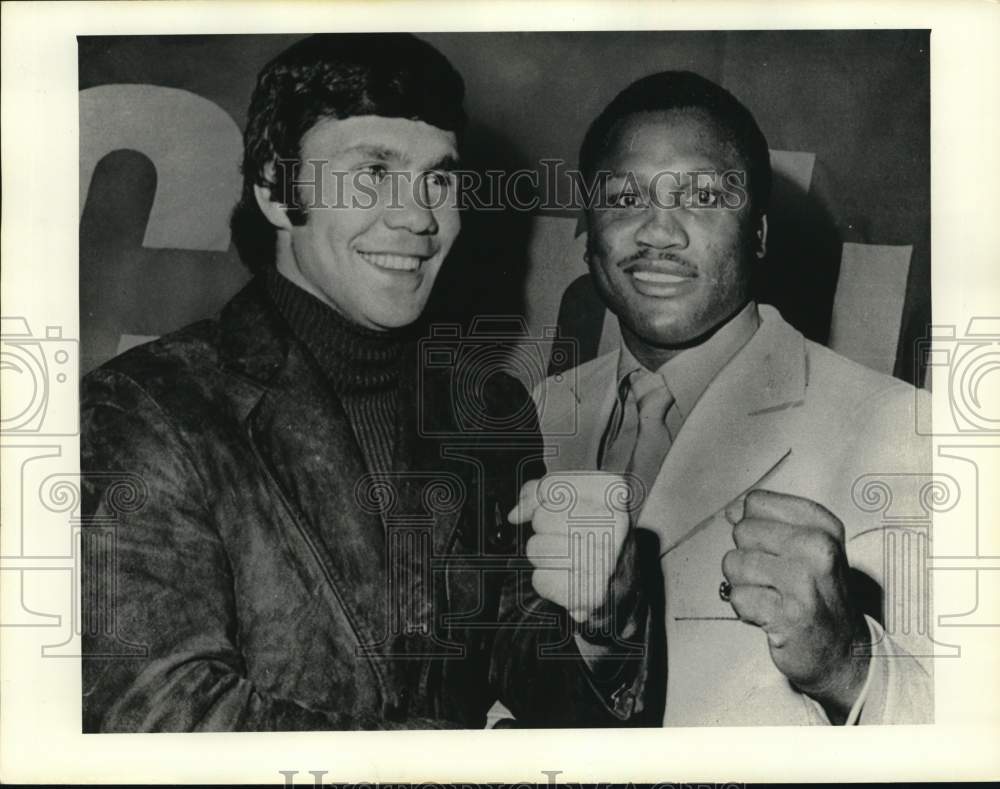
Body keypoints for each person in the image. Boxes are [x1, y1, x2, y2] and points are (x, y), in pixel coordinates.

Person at [80, 33, 542, 732]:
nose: (417, 216)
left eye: (439, 180)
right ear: (274, 189)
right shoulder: (144, 410)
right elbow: (158, 713)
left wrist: (604, 618)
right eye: (372, 174)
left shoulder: (489, 411)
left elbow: (535, 675)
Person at [492, 71, 933, 726]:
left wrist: (846, 660)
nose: (658, 232)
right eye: (623, 197)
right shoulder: (542, 412)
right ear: (587, 229)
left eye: (701, 196)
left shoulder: (903, 425)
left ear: (757, 231)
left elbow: (980, 733)